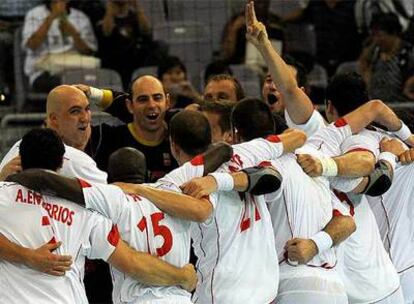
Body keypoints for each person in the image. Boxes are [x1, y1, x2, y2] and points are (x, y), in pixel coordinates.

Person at [0, 128, 197, 303]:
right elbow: (132, 263)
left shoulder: (2, 194)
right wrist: (181, 275)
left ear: (20, 160)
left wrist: (26, 256)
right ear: (61, 162)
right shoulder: (85, 212)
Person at [0, 85, 107, 184]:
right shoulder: (75, 161)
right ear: (54, 119)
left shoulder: (20, 146)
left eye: (87, 109)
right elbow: (113, 197)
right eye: (75, 111)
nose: (85, 118)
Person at [86, 75, 178, 181]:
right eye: (143, 100)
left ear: (167, 102)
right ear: (130, 106)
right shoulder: (106, 139)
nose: (152, 105)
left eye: (157, 98)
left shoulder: (182, 139)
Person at [22, 0, 97, 93]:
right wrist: (52, 16)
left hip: (75, 69)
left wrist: (73, 33)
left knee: (98, 81)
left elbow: (88, 52)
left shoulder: (81, 17)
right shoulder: (34, 14)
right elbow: (32, 45)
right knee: (69, 88)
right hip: (44, 73)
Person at [96, 0, 165, 88]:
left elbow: (146, 31)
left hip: (134, 59)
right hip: (113, 59)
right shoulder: (102, 15)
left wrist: (137, 7)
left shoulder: (134, 16)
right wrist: (110, 10)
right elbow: (106, 32)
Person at [359, 12, 414, 102]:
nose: (376, 40)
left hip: (402, 107)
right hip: (376, 106)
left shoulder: (409, 53)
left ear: (394, 33)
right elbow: (363, 66)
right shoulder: (374, 53)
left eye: (380, 35)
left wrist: (409, 85)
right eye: (374, 35)